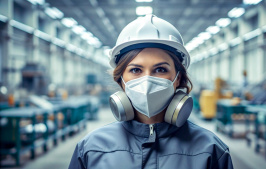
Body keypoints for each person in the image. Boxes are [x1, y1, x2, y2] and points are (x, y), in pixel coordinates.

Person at [68, 15, 233, 169]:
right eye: (136, 70)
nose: (147, 81)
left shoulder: (211, 151)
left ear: (178, 78)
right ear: (121, 80)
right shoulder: (90, 149)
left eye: (160, 69)